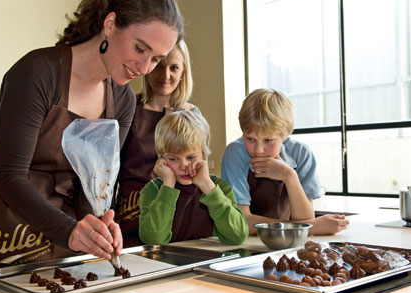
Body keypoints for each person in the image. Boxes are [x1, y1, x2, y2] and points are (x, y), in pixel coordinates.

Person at [0, 0, 184, 265]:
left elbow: (94, 183)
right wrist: (70, 230)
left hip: (62, 242)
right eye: (140, 48)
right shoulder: (37, 73)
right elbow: (9, 177)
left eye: (156, 59)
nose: (145, 68)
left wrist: (94, 223)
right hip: (0, 235)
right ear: (110, 24)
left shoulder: (121, 100)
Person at [221, 88, 349, 235]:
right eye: (250, 139)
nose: (259, 149)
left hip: (288, 242)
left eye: (268, 140)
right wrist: (309, 228)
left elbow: (306, 218)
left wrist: (289, 176)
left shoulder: (301, 153)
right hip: (246, 242)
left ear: (285, 135)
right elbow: (241, 219)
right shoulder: (235, 153)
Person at [115, 40, 197, 246]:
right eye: (159, 65)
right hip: (132, 218)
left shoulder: (192, 115)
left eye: (174, 68)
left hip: (177, 220)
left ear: (183, 71)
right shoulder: (127, 108)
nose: (166, 75)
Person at [138, 109, 249, 245]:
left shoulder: (219, 188)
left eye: (190, 157)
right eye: (173, 159)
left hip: (208, 261)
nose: (183, 165)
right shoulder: (153, 190)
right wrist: (168, 184)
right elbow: (153, 239)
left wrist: (208, 187)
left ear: (203, 154)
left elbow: (238, 236)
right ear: (161, 159)